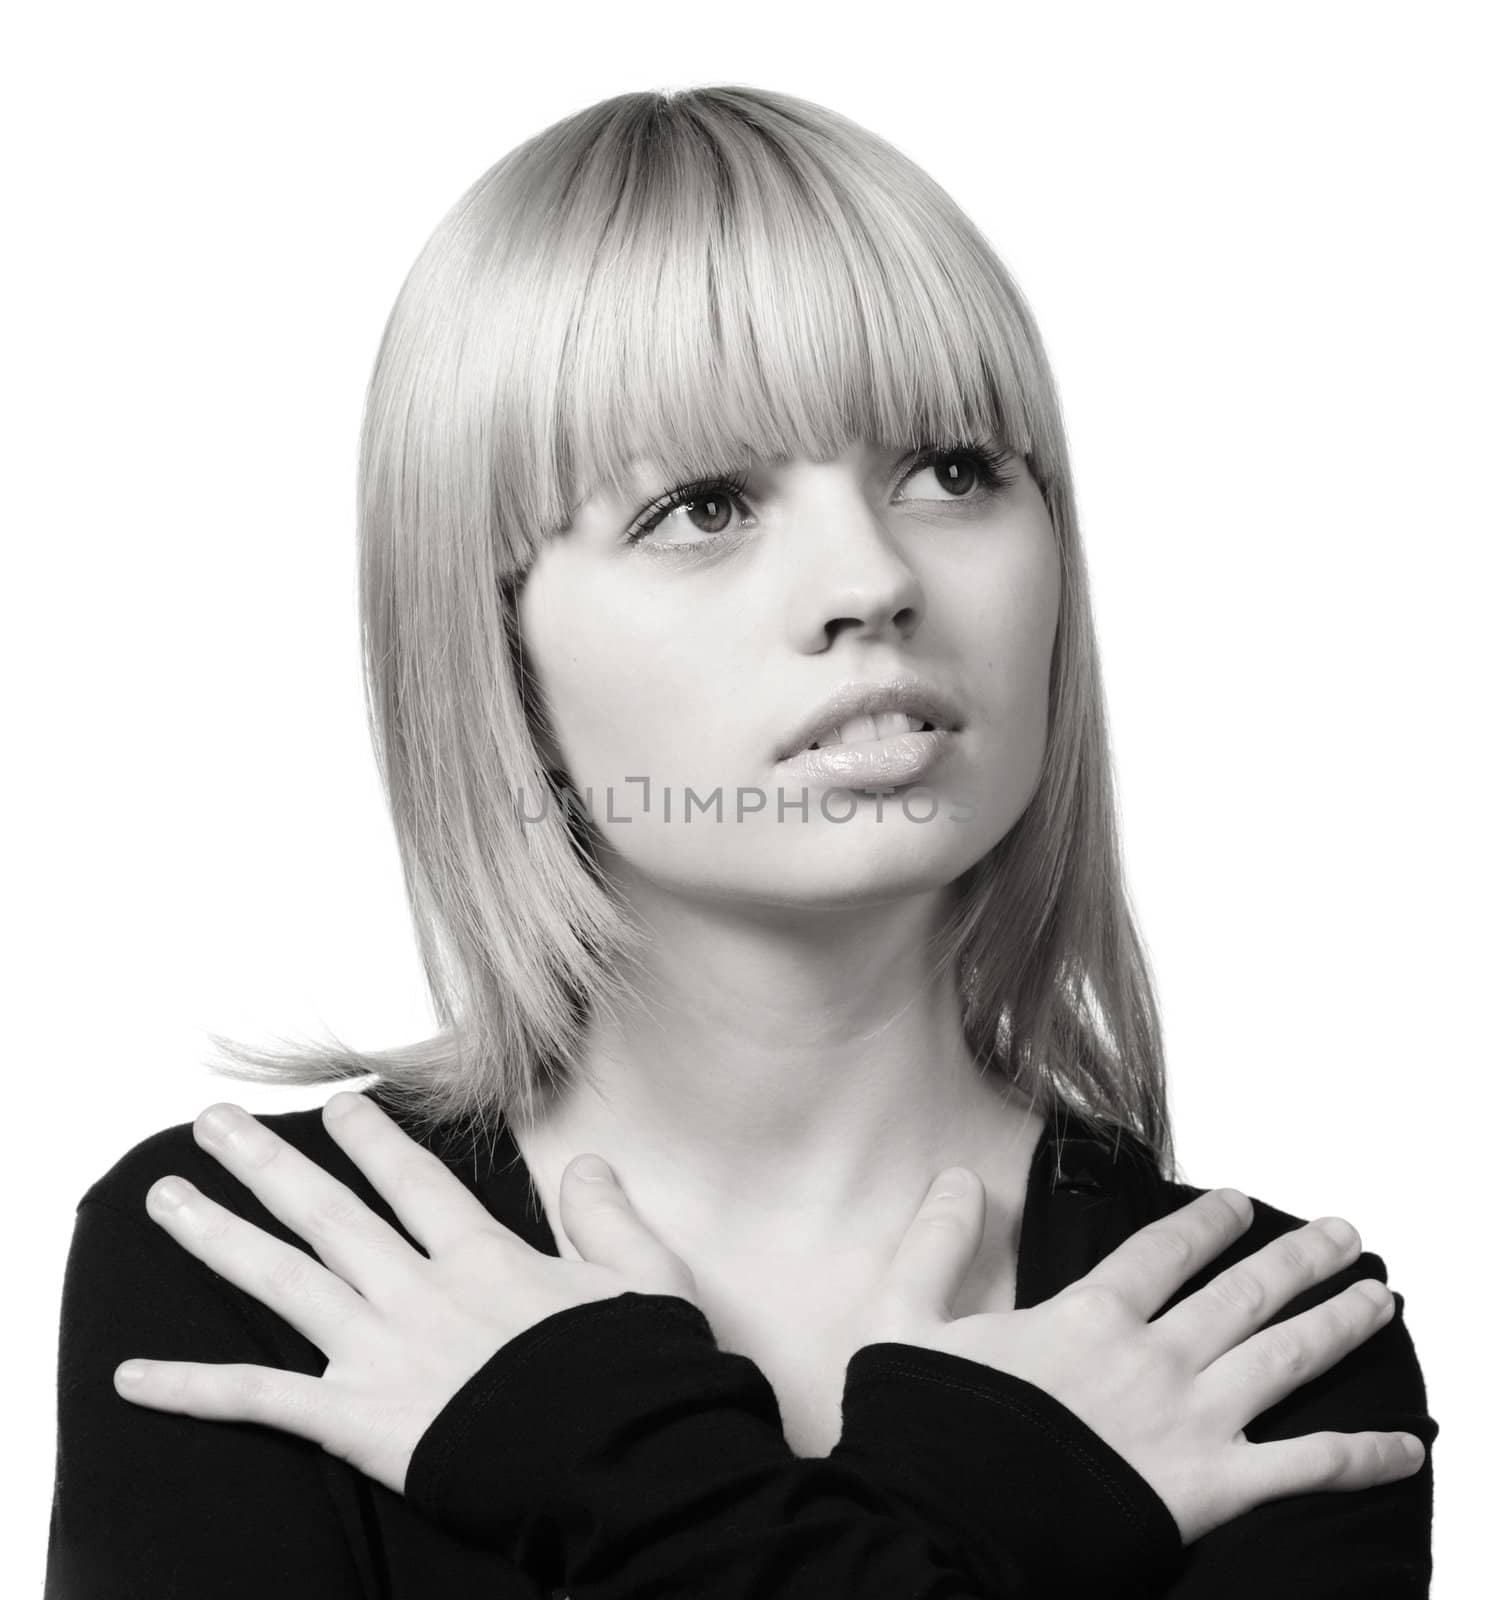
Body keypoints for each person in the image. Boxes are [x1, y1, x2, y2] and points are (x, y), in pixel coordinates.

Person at [45, 84, 1436, 1598]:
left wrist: (600, 1462)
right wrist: (974, 1513)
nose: (874, 578)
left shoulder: (1253, 1343)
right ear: (492, 641)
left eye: (957, 468)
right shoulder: (271, 1268)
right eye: (704, 504)